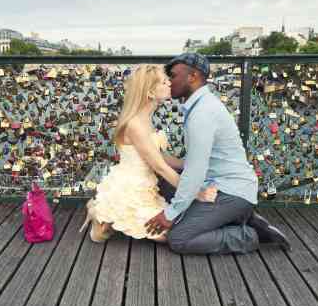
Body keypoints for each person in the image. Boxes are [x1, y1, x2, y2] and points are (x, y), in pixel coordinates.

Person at [144, 52, 290, 254]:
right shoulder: (199, 106)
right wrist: (155, 158)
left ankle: (249, 236)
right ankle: (235, 216)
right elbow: (197, 163)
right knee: (159, 178)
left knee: (179, 239)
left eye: (174, 75)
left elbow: (195, 170)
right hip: (215, 185)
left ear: (192, 77)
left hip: (231, 191)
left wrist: (170, 214)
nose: (170, 82)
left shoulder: (203, 113)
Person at [80, 64, 217, 242]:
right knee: (167, 236)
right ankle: (101, 212)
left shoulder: (146, 118)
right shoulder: (135, 125)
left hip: (147, 187)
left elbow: (159, 157)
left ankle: (107, 215)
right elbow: (160, 167)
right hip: (130, 190)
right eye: (163, 81)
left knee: (171, 231)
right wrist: (196, 192)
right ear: (150, 93)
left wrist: (190, 164)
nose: (169, 83)